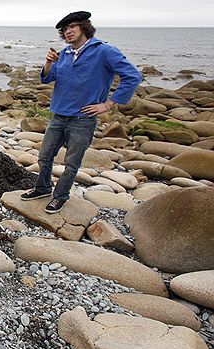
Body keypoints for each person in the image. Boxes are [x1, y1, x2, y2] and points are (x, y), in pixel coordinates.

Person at [20, 11, 141, 213]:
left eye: (72, 27)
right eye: (65, 29)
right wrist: (49, 63)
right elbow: (48, 79)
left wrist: (108, 104)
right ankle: (42, 188)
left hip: (83, 118)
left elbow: (132, 76)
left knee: (71, 163)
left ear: (84, 27)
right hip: (59, 114)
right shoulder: (65, 53)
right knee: (44, 156)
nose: (68, 32)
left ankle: (60, 196)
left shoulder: (104, 51)